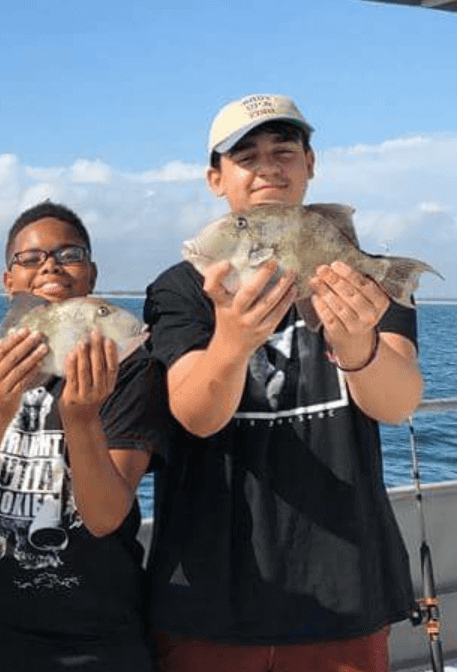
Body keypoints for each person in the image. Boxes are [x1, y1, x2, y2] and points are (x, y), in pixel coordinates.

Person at [144, 94, 423, 672]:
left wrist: (357, 345)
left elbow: (399, 403)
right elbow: (196, 414)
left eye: (283, 151)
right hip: (209, 596)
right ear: (215, 178)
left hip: (346, 589)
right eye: (246, 156)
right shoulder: (180, 288)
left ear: (310, 164)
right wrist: (231, 340)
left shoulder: (360, 275)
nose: (268, 166)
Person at [0, 201, 169, 672]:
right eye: (29, 258)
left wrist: (81, 417)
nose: (50, 264)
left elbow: (105, 517)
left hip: (104, 636)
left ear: (91, 274)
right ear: (8, 281)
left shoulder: (131, 367)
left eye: (69, 253)